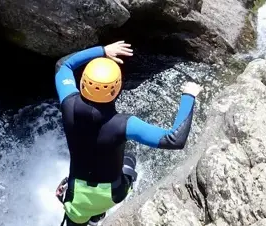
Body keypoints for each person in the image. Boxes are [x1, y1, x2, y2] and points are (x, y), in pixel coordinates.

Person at [54, 41, 202, 226]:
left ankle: (90, 217)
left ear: (83, 82)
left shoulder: (68, 104)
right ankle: (98, 214)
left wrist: (102, 51)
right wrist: (189, 96)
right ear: (117, 88)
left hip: (77, 198)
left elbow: (64, 66)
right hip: (112, 194)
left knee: (75, 219)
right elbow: (174, 139)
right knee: (129, 160)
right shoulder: (124, 124)